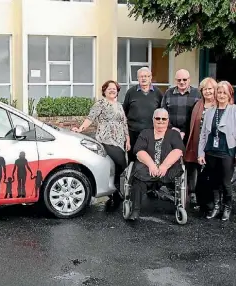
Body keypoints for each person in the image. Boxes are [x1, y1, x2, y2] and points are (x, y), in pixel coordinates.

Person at [72, 80, 130, 208]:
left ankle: (114, 191)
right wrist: (80, 129)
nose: (112, 90)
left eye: (114, 88)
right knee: (121, 162)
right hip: (105, 139)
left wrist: (128, 139)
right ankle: (114, 189)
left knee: (118, 165)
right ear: (104, 91)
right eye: (109, 88)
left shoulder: (119, 105)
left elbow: (124, 123)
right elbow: (90, 118)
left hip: (119, 140)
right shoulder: (100, 104)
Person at [198, 81, 236, 221]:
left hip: (227, 151)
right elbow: (203, 135)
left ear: (230, 94)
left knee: (225, 182)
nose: (221, 95)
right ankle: (216, 206)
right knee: (213, 181)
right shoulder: (210, 111)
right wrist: (201, 153)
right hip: (211, 151)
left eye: (224, 92)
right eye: (219, 92)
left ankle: (227, 208)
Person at [127, 108, 185, 221]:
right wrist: (151, 165)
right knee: (138, 178)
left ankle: (178, 205)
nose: (161, 121)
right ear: (153, 119)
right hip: (148, 168)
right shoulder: (145, 133)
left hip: (168, 168)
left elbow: (178, 151)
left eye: (164, 119)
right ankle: (135, 210)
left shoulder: (173, 134)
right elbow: (139, 151)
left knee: (175, 174)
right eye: (158, 118)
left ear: (168, 120)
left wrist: (164, 166)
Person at [184, 77, 217, 207]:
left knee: (211, 172)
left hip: (214, 144)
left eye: (210, 89)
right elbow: (190, 124)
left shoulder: (220, 104)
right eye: (205, 89)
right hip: (197, 142)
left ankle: (213, 200)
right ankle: (197, 197)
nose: (207, 92)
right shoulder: (197, 105)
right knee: (195, 170)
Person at [123, 67, 164, 162]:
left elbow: (162, 112)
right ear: (137, 78)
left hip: (151, 132)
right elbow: (124, 111)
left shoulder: (158, 93)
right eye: (141, 76)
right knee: (133, 158)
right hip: (133, 132)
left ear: (150, 78)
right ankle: (133, 176)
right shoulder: (131, 92)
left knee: (150, 159)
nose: (143, 78)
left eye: (146, 76)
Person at [160, 69, 202, 145]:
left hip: (190, 134)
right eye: (179, 80)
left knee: (188, 156)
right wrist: (171, 128)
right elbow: (163, 113)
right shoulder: (168, 93)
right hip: (171, 133)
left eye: (184, 79)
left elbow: (198, 115)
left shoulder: (197, 94)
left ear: (189, 80)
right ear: (175, 80)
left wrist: (184, 131)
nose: (182, 82)